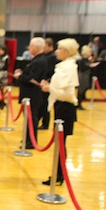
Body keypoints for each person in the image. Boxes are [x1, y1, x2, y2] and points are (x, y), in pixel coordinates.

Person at [40, 38, 80, 185]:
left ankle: (59, 175)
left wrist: (50, 88)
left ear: (67, 51)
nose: (57, 51)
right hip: (60, 106)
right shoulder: (64, 66)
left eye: (59, 49)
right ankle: (58, 174)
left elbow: (69, 94)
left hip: (65, 108)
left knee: (61, 144)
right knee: (59, 143)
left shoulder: (69, 68)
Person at [13, 37, 47, 149]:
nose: (29, 48)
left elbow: (33, 78)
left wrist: (20, 76)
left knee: (31, 118)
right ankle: (28, 139)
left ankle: (31, 141)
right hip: (30, 94)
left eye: (31, 46)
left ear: (36, 47)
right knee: (29, 118)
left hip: (32, 94)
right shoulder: (37, 59)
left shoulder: (39, 61)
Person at [77, 45, 94, 110]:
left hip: (85, 76)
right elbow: (82, 68)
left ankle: (80, 102)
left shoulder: (86, 59)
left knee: (84, 89)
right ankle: (79, 104)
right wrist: (89, 65)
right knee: (81, 90)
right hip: (82, 77)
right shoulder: (82, 60)